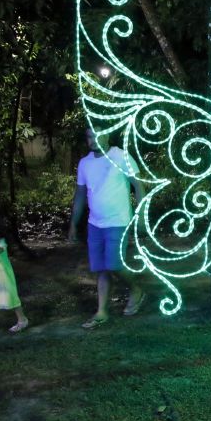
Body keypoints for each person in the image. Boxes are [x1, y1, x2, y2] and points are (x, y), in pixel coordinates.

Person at [68, 128, 146, 328]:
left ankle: (136, 289)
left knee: (114, 264)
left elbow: (138, 186)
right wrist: (73, 224)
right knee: (101, 268)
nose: (92, 140)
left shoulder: (121, 156)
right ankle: (102, 311)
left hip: (118, 221)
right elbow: (80, 195)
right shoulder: (84, 163)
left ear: (108, 136)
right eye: (89, 136)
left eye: (97, 135)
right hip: (95, 223)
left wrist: (141, 215)